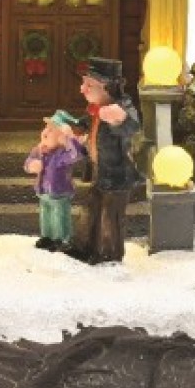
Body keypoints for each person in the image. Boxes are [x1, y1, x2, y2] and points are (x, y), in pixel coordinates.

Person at [71, 58, 143, 264]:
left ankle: (109, 256)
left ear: (105, 87)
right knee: (91, 211)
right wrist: (75, 129)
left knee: (109, 218)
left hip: (117, 176)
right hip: (100, 173)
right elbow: (84, 124)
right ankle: (86, 248)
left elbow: (132, 125)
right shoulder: (94, 108)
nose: (82, 89)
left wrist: (120, 119)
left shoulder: (121, 107)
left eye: (88, 85)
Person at [24, 110, 88, 251]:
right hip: (43, 191)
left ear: (61, 138)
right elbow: (28, 162)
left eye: (51, 130)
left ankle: (62, 238)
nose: (46, 132)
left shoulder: (62, 154)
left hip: (60, 192)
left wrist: (70, 139)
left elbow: (77, 155)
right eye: (46, 128)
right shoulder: (39, 150)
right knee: (45, 214)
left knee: (59, 216)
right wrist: (31, 165)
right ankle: (47, 236)